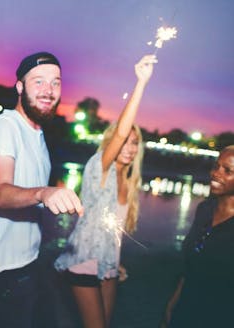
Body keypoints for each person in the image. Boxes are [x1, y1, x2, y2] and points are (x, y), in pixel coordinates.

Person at [0, 52, 83, 328]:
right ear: (20, 87)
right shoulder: (7, 126)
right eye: (39, 82)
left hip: (32, 262)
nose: (48, 91)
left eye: (55, 83)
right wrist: (43, 193)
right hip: (5, 271)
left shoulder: (37, 134)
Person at [54, 55, 157, 328]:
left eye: (135, 143)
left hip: (108, 264)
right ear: (113, 142)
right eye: (125, 142)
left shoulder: (129, 182)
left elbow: (114, 232)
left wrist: (115, 263)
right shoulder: (100, 168)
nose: (129, 147)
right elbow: (121, 131)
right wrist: (141, 83)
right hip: (85, 260)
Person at [161, 145, 234, 327]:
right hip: (185, 310)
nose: (216, 174)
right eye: (216, 166)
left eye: (228, 170)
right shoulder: (204, 210)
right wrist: (172, 304)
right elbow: (189, 267)